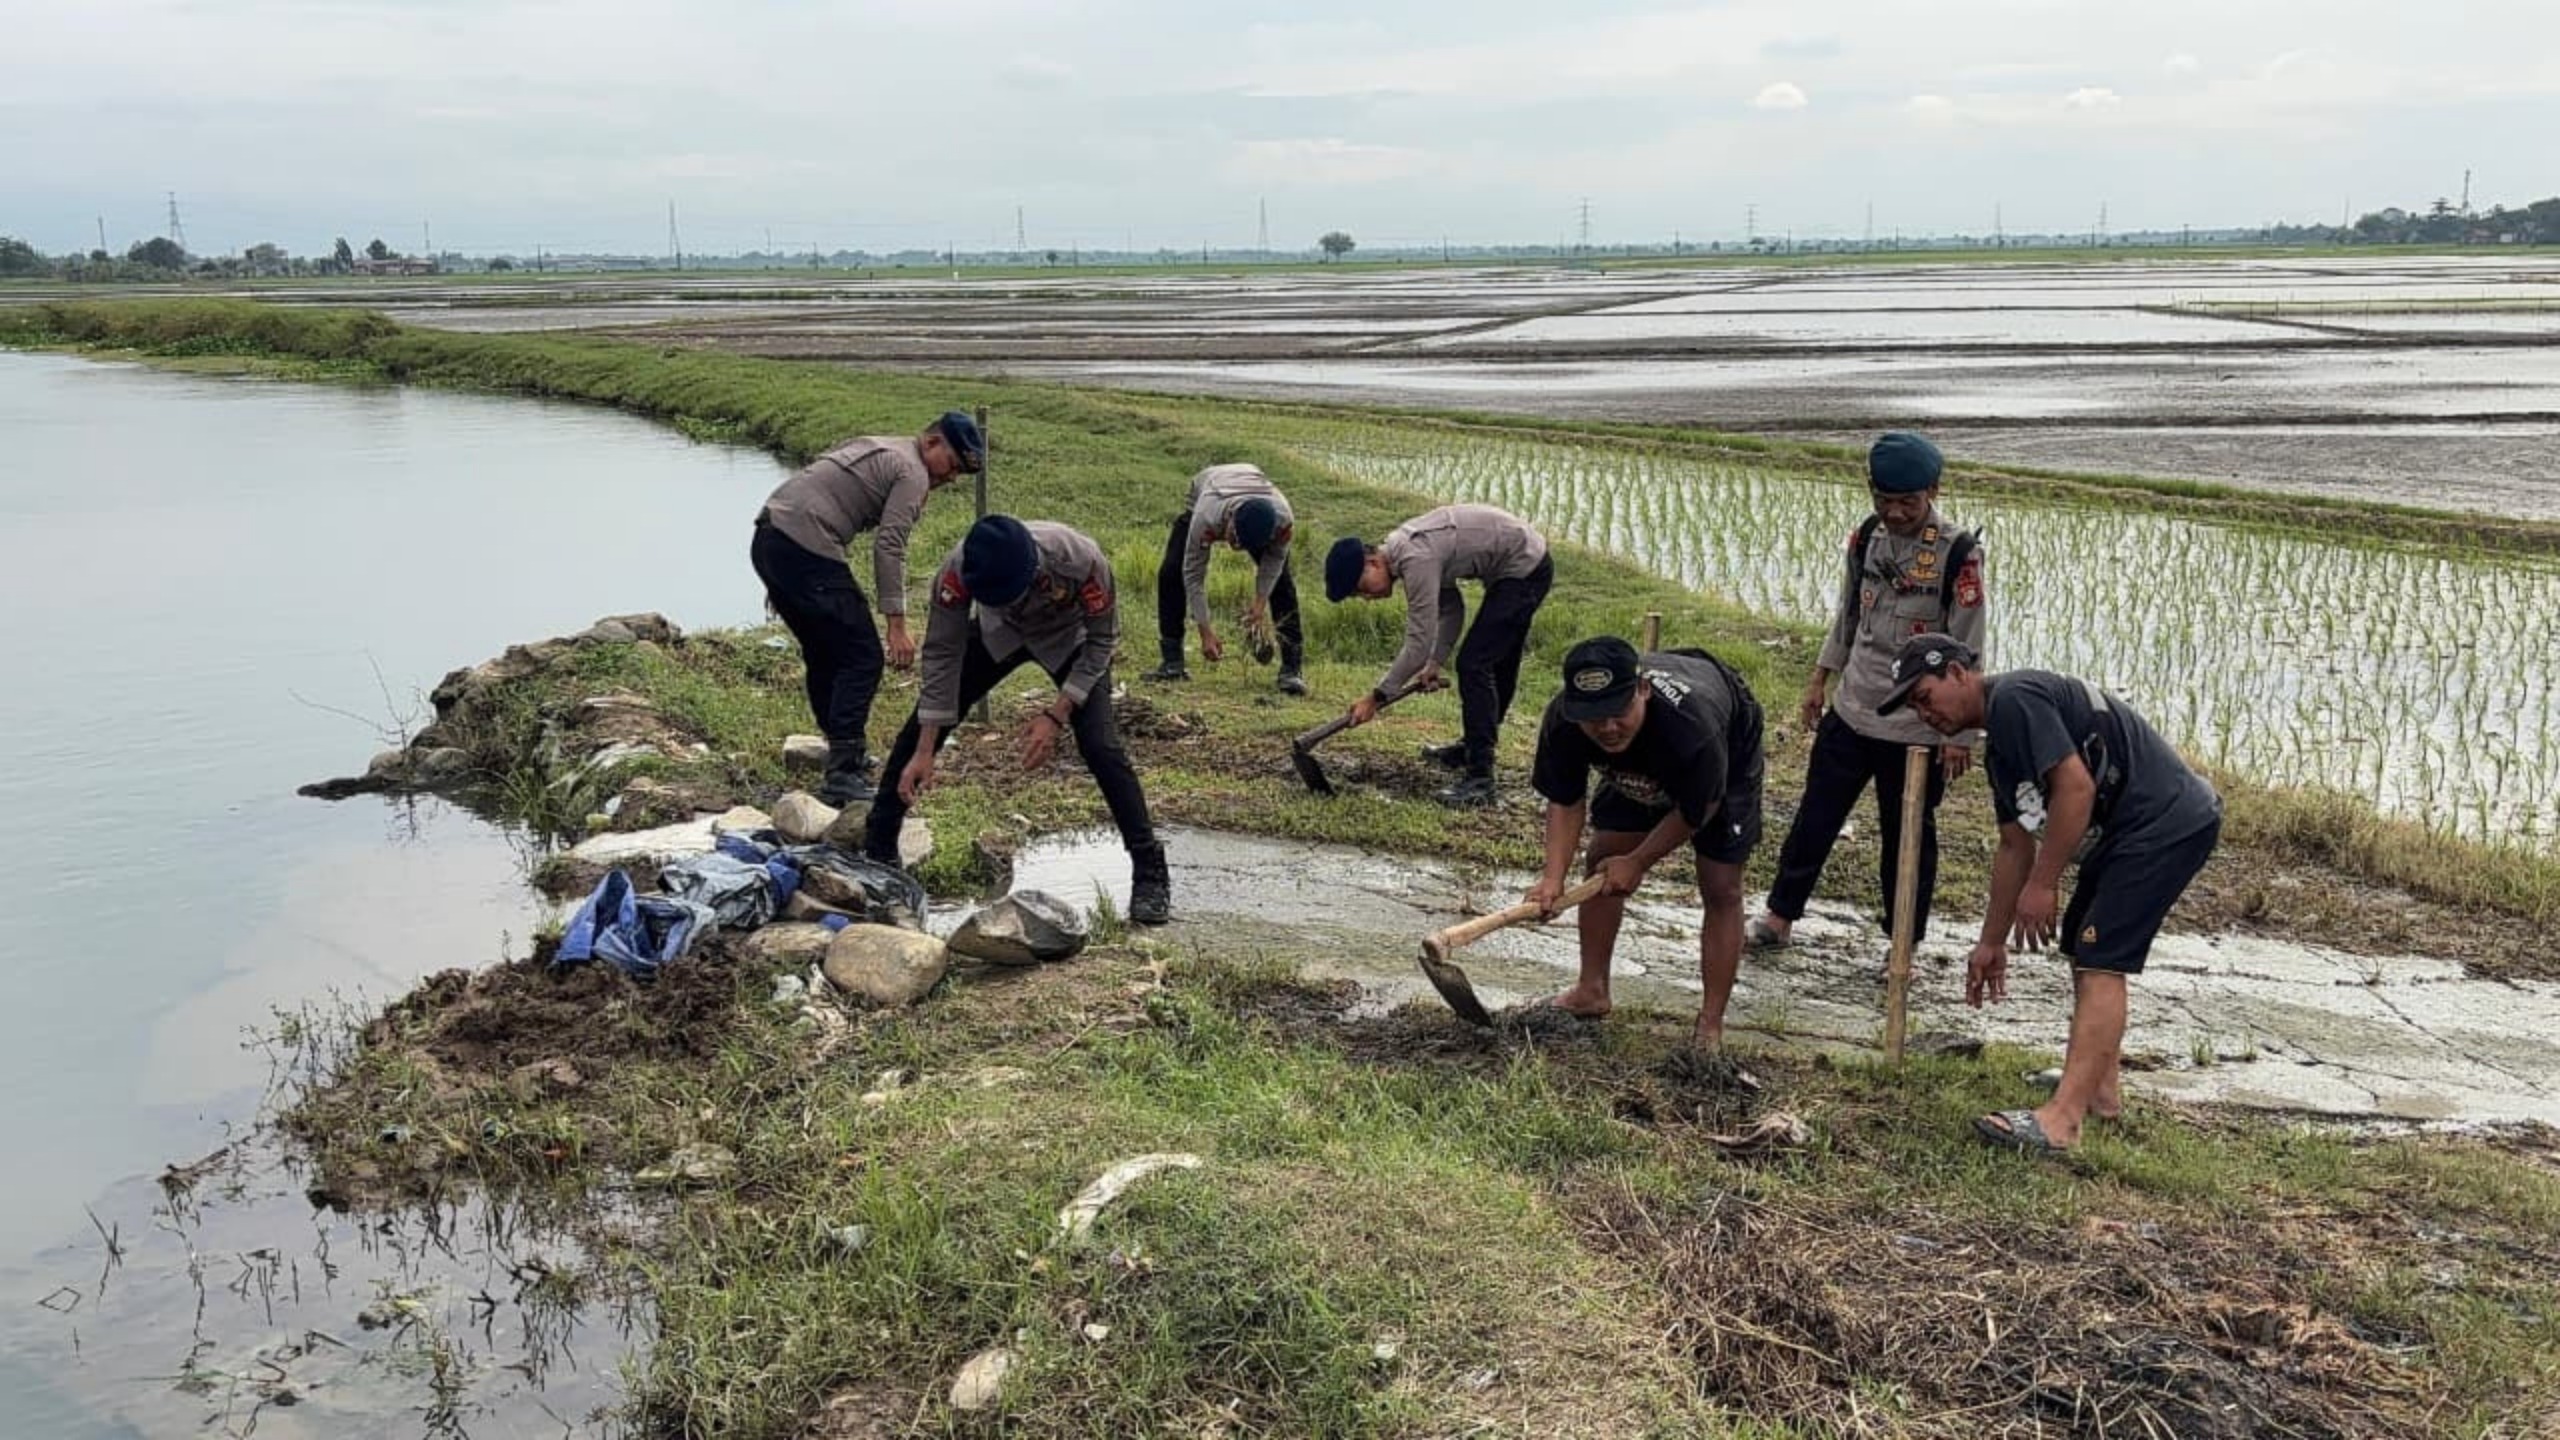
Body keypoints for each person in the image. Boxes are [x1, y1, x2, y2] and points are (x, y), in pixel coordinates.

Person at [1878, 633, 2222, 1154]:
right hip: (2128, 834)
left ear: (1957, 674)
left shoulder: (2016, 699)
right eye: (1913, 708)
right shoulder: (2001, 750)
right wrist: (1990, 942)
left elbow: (2076, 789)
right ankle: (2099, 1094)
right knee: (2085, 949)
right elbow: (2014, 845)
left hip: (2164, 823)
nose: (1925, 714)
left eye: (1925, 697)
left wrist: (2044, 883)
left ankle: (2063, 1122)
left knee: (2102, 959)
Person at [860, 515, 1171, 925]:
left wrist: (1056, 714)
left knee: (1100, 744)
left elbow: (1102, 641)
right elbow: (941, 657)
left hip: (1070, 638)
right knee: (922, 725)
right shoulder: (957, 572)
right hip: (1000, 634)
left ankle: (1150, 870)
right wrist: (924, 748)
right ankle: (879, 848)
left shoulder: (1080, 561)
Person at [1753, 431, 1985, 958]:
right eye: (1885, 500)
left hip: (1917, 727)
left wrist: (1963, 733)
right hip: (1854, 708)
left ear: (1934, 491)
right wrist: (1819, 680)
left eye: (1908, 501)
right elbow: (1848, 617)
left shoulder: (1959, 554)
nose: (1896, 512)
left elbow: (1970, 647)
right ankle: (1779, 916)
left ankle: (1903, 943)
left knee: (1907, 839)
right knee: (1816, 816)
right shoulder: (1866, 538)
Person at [1524, 638, 1765, 1051]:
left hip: (1725, 743)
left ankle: (1709, 1026)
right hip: (1643, 761)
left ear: (1642, 690)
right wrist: (1552, 878)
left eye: (1618, 712)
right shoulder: (1564, 721)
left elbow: (1697, 810)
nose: (1607, 728)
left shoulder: (1694, 730)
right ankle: (1591, 990)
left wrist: (1638, 862)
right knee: (1603, 858)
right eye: (1593, 717)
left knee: (1721, 885)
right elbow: (1565, 799)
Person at [751, 411, 985, 804]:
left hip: (771, 537)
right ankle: (843, 770)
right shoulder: (912, 472)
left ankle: (844, 752)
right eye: (952, 465)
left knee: (824, 652)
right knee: (863, 656)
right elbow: (889, 546)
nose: (950, 478)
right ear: (931, 443)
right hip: (805, 547)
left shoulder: (878, 443)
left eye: (960, 473)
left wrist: (783, 575)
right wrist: (896, 624)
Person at [1323, 503, 1554, 807]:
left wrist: (1377, 697)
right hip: (1516, 567)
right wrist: (1434, 663)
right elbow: (1451, 609)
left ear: (1372, 563)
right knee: (1493, 660)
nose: (1366, 598)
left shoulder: (1415, 557)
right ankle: (1472, 749)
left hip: (1525, 567)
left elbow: (1417, 643)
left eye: (1360, 588)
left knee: (1476, 663)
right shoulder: (1408, 552)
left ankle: (1480, 779)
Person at [1142, 463, 1307, 695]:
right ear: (1229, 519)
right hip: (1210, 487)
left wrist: (1259, 605)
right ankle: (1172, 663)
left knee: (1283, 584)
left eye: (1244, 546)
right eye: (1233, 539)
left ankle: (1292, 669)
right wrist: (1205, 632)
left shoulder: (1283, 522)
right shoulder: (1206, 516)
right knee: (1172, 572)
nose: (1235, 548)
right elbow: (1193, 574)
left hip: (1253, 485)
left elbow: (1274, 565)